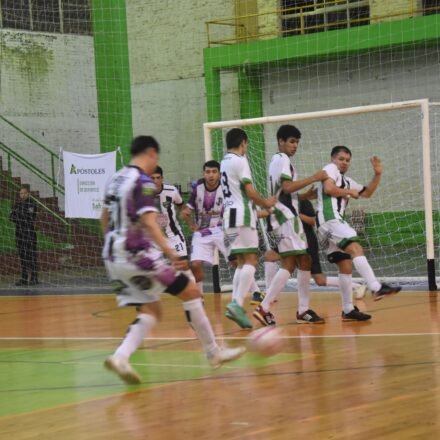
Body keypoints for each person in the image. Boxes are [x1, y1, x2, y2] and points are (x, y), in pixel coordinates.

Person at [101, 135, 245, 384]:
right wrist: (173, 254)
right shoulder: (143, 181)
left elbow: (103, 217)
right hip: (137, 254)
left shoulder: (115, 179)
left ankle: (120, 357)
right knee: (190, 291)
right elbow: (149, 222)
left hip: (112, 255)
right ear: (150, 153)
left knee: (150, 309)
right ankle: (214, 352)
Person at [252, 124, 328, 327]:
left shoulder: (280, 161)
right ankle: (264, 306)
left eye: (297, 142)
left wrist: (304, 196)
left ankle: (302, 310)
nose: (295, 146)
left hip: (285, 214)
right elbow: (286, 187)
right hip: (284, 217)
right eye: (292, 141)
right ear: (280, 142)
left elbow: (284, 192)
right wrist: (314, 177)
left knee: (305, 259)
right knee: (291, 262)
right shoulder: (281, 159)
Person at [316, 145, 401, 321]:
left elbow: (367, 193)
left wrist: (377, 174)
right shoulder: (329, 169)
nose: (344, 162)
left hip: (324, 226)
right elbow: (329, 189)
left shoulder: (347, 181)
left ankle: (347, 310)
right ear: (333, 159)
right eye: (341, 159)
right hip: (329, 219)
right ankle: (375, 286)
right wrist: (349, 192)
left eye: (347, 160)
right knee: (355, 248)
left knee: (345, 265)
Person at [220, 128, 276, 329]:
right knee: (251, 259)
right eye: (246, 145)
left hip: (228, 217)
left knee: (242, 262)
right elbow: (250, 192)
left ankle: (235, 305)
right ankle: (236, 303)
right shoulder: (240, 161)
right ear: (243, 143)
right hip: (242, 215)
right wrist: (266, 203)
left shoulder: (223, 162)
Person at [299, 198, 367, 298]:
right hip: (291, 242)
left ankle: (356, 287)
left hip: (307, 242)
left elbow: (314, 221)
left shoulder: (304, 202)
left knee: (319, 279)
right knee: (280, 262)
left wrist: (296, 215)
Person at [180, 160, 229, 295]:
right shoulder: (198, 188)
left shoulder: (226, 188)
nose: (211, 175)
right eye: (208, 172)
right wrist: (190, 224)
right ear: (204, 173)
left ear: (219, 174)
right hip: (202, 232)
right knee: (195, 264)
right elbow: (185, 213)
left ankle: (255, 291)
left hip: (221, 229)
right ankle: (199, 297)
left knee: (236, 260)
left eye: (214, 172)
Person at [150, 166, 192, 279]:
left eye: (158, 178)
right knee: (153, 273)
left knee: (184, 265)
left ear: (162, 178)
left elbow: (181, 206)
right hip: (153, 238)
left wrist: (189, 223)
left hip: (173, 233)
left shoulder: (171, 190)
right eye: (152, 178)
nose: (155, 181)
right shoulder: (143, 194)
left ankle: (196, 294)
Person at [10, 186, 39, 286]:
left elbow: (29, 218)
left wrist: (19, 216)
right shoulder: (17, 204)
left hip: (29, 233)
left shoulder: (32, 204)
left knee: (31, 256)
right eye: (21, 193)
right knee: (22, 256)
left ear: (28, 194)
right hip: (19, 233)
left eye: (24, 193)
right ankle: (24, 278)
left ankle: (34, 278)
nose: (22, 195)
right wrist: (20, 216)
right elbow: (11, 217)